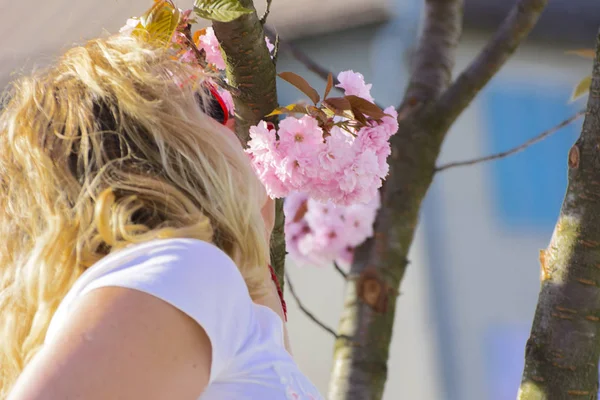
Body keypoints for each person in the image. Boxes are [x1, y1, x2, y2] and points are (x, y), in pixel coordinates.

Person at [0, 34, 323, 399]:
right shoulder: (186, 270)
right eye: (211, 105)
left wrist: (256, 260)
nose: (235, 124)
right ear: (162, 149)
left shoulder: (199, 285)